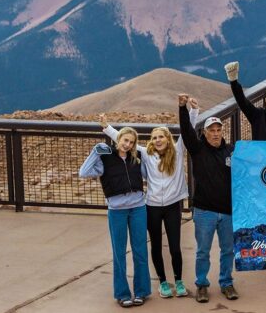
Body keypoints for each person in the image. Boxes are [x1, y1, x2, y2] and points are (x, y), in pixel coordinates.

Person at [100, 110, 190, 299]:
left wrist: (193, 111)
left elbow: (187, 131)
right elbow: (124, 139)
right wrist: (107, 127)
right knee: (155, 245)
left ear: (168, 139)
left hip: (173, 206)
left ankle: (179, 280)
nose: (157, 140)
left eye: (161, 137)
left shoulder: (178, 151)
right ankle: (163, 282)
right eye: (154, 137)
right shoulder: (146, 154)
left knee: (175, 246)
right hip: (152, 206)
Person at [79, 126, 151, 308]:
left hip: (138, 209)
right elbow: (84, 172)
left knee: (140, 251)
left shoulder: (137, 158)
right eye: (125, 140)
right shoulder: (105, 160)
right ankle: (122, 294)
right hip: (117, 211)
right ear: (118, 139)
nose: (127, 145)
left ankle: (142, 292)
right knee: (119, 253)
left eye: (131, 142)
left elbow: (149, 175)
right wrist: (96, 150)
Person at [178, 94, 238, 303]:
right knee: (203, 251)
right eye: (211, 130)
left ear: (223, 131)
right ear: (205, 133)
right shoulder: (198, 150)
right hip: (204, 211)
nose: (215, 134)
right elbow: (186, 131)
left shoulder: (231, 151)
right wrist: (183, 108)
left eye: (218, 130)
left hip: (228, 211)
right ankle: (202, 285)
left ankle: (226, 283)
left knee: (228, 251)